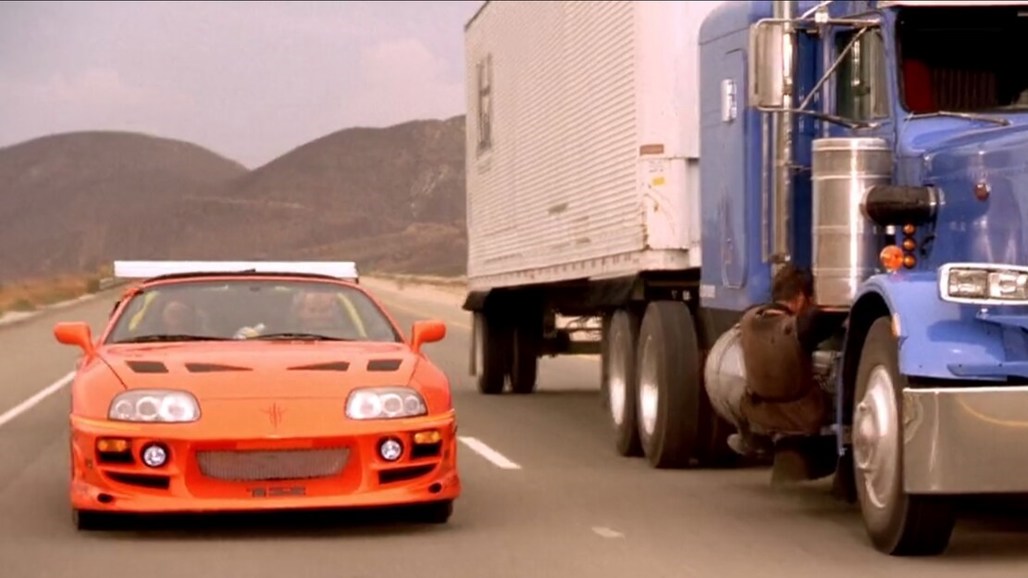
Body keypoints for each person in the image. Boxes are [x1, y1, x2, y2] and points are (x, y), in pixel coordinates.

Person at [725, 264, 845, 459]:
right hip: (802, 416)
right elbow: (832, 313)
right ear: (800, 298)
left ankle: (751, 439)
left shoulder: (748, 319)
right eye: (810, 299)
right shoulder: (800, 328)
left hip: (758, 413)